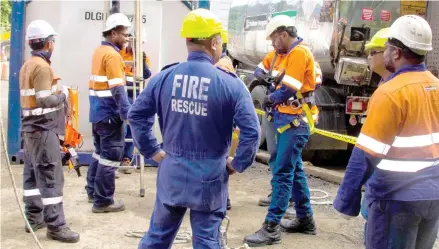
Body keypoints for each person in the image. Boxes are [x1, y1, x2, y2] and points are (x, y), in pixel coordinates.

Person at [128, 8, 260, 249]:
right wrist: (237, 163)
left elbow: (136, 114)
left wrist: (152, 150)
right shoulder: (231, 84)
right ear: (215, 42)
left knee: (157, 238)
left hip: (172, 172)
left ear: (188, 40)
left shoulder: (164, 77)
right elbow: (252, 131)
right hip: (209, 177)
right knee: (207, 241)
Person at [334, 15, 439, 249]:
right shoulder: (435, 86)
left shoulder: (391, 92)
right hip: (433, 196)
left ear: (397, 52)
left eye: (387, 48)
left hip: (397, 198)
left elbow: (366, 154)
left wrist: (346, 201)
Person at [244, 15, 318, 246]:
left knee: (283, 172)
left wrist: (270, 98)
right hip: (288, 121)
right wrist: (264, 81)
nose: (272, 44)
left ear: (284, 35)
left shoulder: (299, 53)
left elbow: (290, 88)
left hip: (296, 122)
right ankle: (305, 219)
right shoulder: (283, 55)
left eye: (274, 39)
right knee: (294, 170)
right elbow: (263, 72)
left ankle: (272, 226)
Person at [20, 20, 79, 243]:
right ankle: (56, 226)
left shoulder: (28, 64)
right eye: (52, 40)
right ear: (47, 43)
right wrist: (63, 96)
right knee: (50, 176)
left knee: (33, 175)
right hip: (43, 130)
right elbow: (44, 99)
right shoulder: (43, 67)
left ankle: (34, 219)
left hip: (30, 130)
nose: (53, 44)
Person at [85, 13, 131, 213]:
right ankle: (103, 201)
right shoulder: (112, 55)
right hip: (110, 114)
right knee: (111, 156)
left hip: (97, 112)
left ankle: (92, 191)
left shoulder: (99, 51)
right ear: (113, 33)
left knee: (99, 154)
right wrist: (127, 113)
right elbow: (117, 88)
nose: (126, 39)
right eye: (124, 34)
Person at [359, 27, 392, 237]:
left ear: (390, 53)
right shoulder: (384, 85)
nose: (369, 57)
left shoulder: (392, 92)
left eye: (373, 52)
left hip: (389, 187)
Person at [118, 33, 152, 175]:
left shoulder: (143, 57)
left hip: (136, 95)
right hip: (123, 94)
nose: (135, 45)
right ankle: (116, 158)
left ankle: (127, 158)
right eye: (132, 42)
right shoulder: (120, 55)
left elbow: (146, 74)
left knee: (132, 128)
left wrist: (142, 61)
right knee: (121, 127)